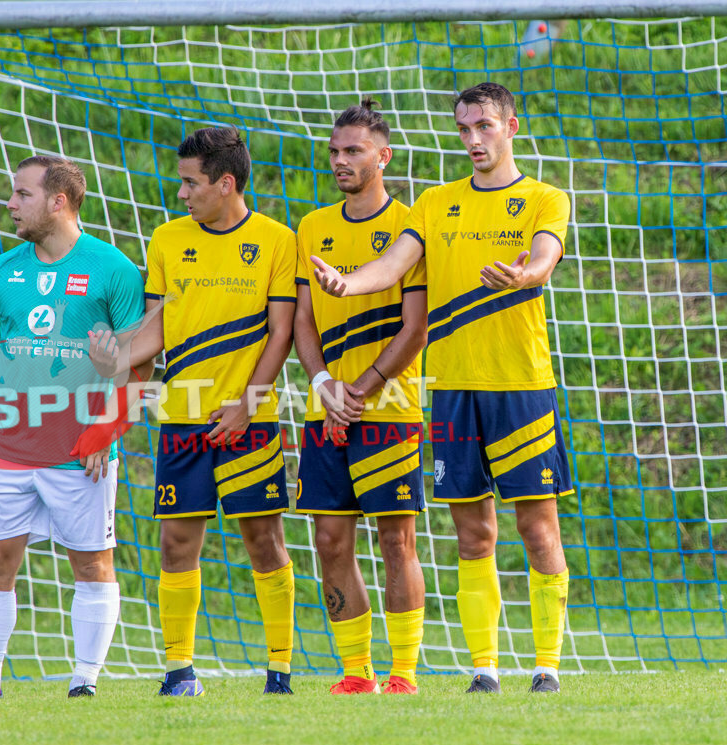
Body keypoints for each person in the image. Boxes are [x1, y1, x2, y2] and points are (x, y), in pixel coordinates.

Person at [312, 82, 572, 694]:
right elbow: (392, 265)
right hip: (452, 389)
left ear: (511, 126)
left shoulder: (543, 197)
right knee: (473, 531)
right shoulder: (436, 202)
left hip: (520, 384)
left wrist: (525, 275)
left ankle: (547, 667)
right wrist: (348, 283)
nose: (473, 139)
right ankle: (483, 667)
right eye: (463, 129)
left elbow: (545, 256)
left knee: (539, 529)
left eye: (483, 126)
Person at [94, 126, 298, 696]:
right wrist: (116, 357)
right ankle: (179, 671)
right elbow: (156, 325)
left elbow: (281, 333)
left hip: (249, 421)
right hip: (182, 419)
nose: (181, 194)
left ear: (224, 183)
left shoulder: (277, 241)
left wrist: (248, 403)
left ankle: (279, 672)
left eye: (190, 183)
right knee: (176, 542)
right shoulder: (166, 239)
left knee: (263, 539)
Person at [0, 156, 148, 699]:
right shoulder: (2, 269)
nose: (11, 204)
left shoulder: (113, 269)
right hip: (8, 445)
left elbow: (139, 362)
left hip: (78, 446)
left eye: (22, 195)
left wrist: (106, 430)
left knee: (91, 561)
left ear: (58, 201)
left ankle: (84, 682)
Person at [294, 100, 428, 695]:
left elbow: (415, 325)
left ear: (384, 155)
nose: (342, 160)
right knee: (329, 538)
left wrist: (364, 388)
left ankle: (403, 672)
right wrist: (325, 386)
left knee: (396, 538)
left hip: (390, 407)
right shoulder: (312, 226)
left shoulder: (410, 226)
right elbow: (300, 321)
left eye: (354, 150)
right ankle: (356, 672)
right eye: (335, 151)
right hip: (327, 407)